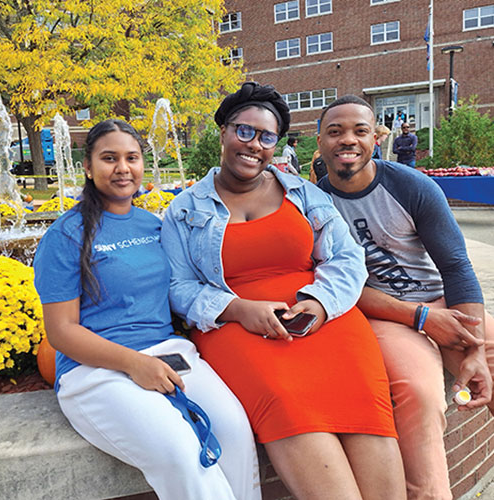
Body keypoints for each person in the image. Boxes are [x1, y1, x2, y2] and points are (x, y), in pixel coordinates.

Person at [162, 82, 406, 500]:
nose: (254, 144)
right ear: (222, 131)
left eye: (266, 137)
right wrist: (238, 309)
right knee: (288, 403)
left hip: (325, 319)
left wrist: (320, 303)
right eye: (243, 131)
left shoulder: (303, 193)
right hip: (237, 329)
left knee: (366, 400)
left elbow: (347, 258)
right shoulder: (184, 210)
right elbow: (178, 287)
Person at [33, 119, 261, 500]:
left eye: (131, 158)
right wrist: (134, 364)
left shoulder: (156, 224)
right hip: (96, 372)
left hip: (169, 355)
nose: (123, 168)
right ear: (87, 166)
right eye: (109, 158)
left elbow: (185, 287)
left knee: (235, 431)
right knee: (181, 453)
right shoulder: (65, 235)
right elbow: (61, 332)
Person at [316, 94, 494, 500]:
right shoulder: (315, 204)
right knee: (419, 392)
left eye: (360, 131)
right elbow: (340, 289)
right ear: (320, 141)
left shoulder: (411, 186)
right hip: (387, 316)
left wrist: (473, 350)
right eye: (336, 131)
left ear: (376, 139)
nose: (348, 140)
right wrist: (419, 318)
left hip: (445, 301)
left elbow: (456, 267)